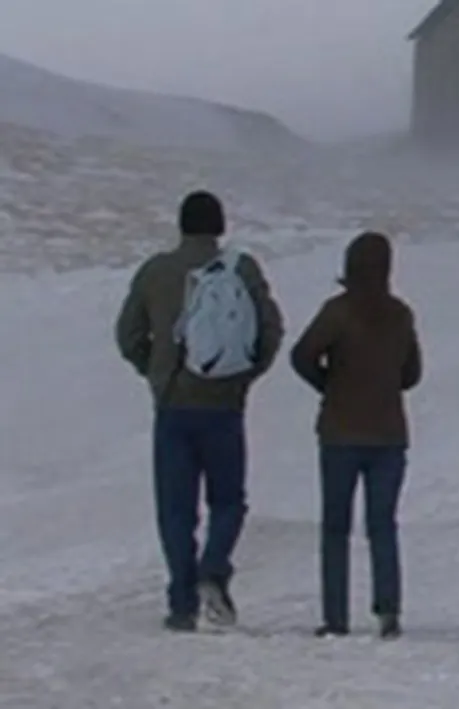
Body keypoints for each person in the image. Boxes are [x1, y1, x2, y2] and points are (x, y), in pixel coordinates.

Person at [114, 190, 284, 632]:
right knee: (228, 500)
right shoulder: (241, 268)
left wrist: (154, 370)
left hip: (172, 404)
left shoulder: (156, 271)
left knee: (176, 509)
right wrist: (245, 376)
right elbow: (271, 329)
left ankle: (182, 603)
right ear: (220, 226)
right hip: (224, 404)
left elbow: (128, 333)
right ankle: (214, 567)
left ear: (181, 225)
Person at [289, 231, 422, 640]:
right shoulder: (399, 314)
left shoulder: (338, 312)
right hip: (388, 433)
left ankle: (335, 618)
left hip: (340, 432)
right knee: (382, 524)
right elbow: (412, 374)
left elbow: (301, 355)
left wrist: (329, 384)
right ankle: (388, 612)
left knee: (335, 527)